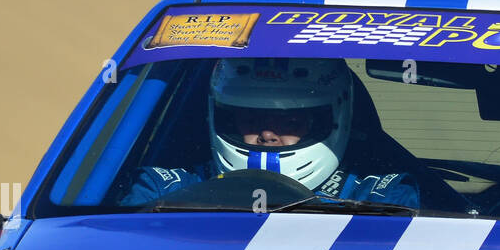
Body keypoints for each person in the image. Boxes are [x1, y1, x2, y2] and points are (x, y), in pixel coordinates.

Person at [122, 57, 419, 208]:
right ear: (223, 117)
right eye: (250, 118)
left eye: (290, 121)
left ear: (330, 120)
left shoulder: (382, 199)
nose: (267, 134)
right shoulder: (163, 191)